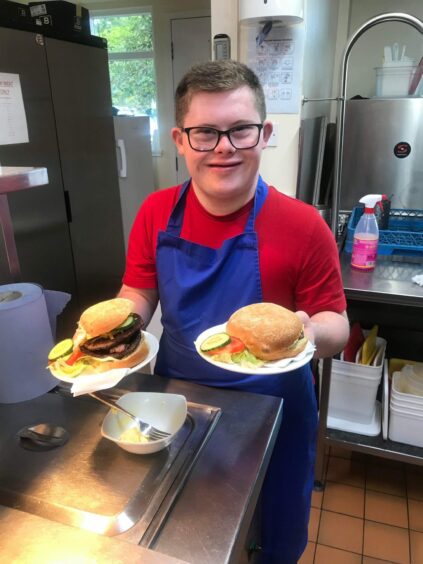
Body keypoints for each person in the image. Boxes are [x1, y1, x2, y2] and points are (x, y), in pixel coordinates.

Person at [118, 60, 349, 563]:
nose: (223, 147)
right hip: (182, 408)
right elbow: (137, 293)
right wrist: (113, 326)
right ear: (181, 140)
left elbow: (337, 324)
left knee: (272, 538)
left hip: (277, 413)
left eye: (240, 130)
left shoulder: (304, 225)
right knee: (184, 535)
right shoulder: (156, 213)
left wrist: (309, 331)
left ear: (263, 134)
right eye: (205, 133)